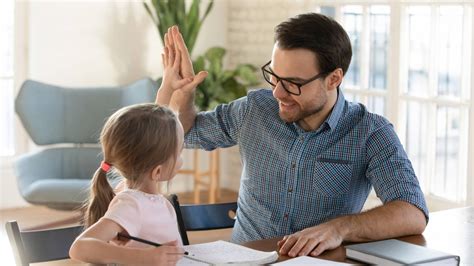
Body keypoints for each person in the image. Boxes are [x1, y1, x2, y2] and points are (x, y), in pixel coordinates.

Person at [158, 13, 429, 259]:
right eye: (275, 77)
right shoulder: (255, 109)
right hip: (244, 259)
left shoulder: (370, 133)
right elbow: (187, 134)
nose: (277, 92)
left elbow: (412, 212)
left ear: (334, 79)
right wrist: (183, 94)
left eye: (293, 84)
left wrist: (339, 228)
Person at [69, 38, 199, 265]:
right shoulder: (131, 203)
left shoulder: (138, 191)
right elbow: (80, 248)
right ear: (157, 171)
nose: (181, 158)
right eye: (179, 152)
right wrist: (143, 258)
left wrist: (167, 88)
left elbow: (152, 133)